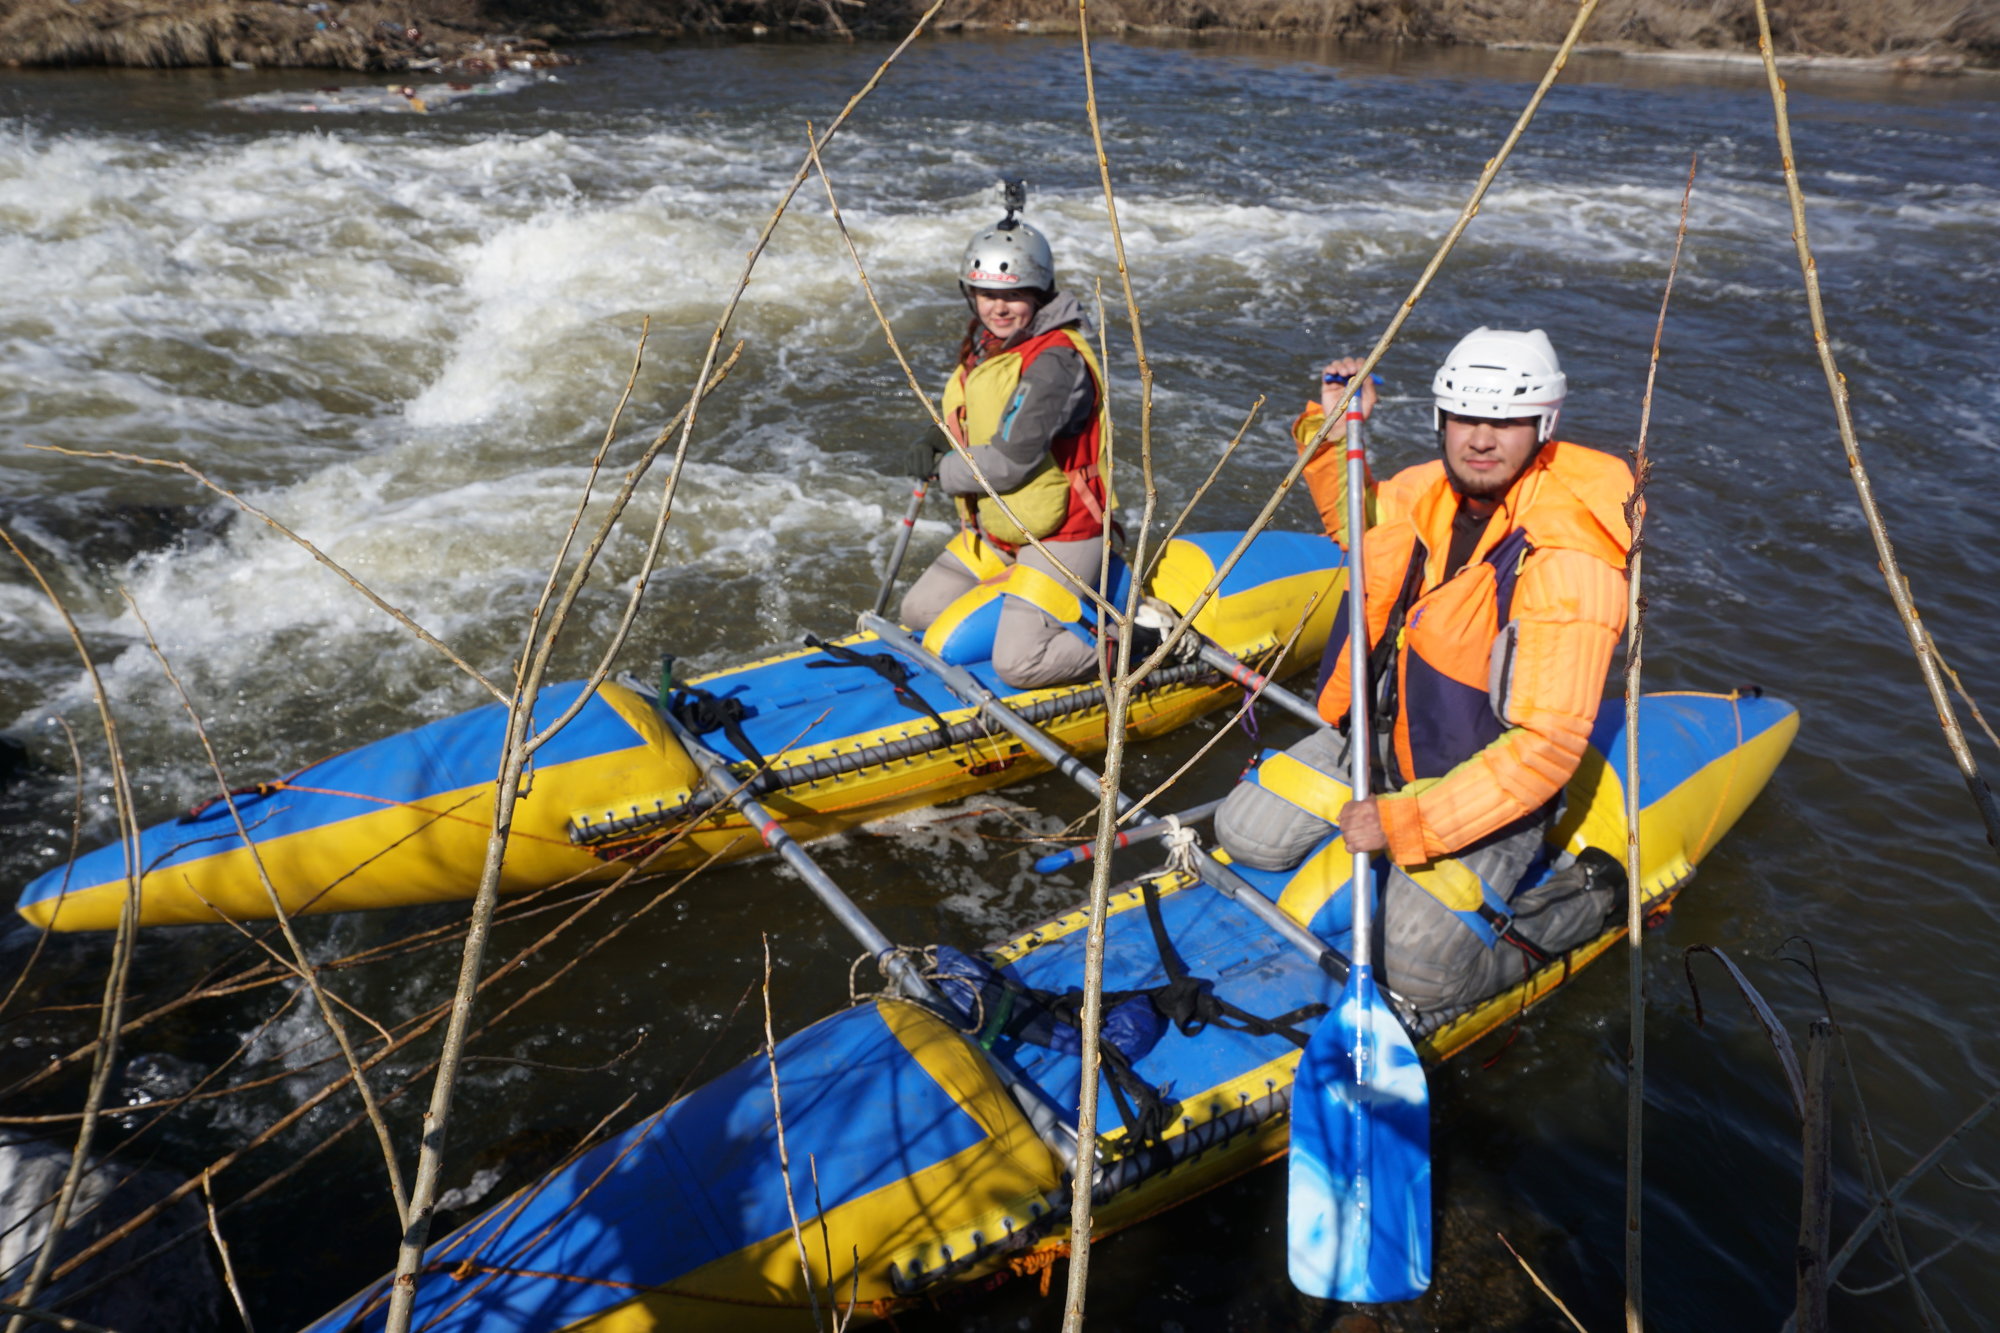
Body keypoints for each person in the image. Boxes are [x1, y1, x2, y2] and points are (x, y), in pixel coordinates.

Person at [1215, 328, 1634, 1018]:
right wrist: (1332, 426)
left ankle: (1589, 896)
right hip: (1387, 739)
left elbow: (1544, 749)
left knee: (1422, 970)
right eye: (1466, 417)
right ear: (1441, 418)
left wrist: (1406, 821)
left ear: (1543, 425)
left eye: (1505, 422)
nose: (1481, 439)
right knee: (1246, 833)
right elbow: (1356, 525)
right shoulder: (1424, 493)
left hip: (1482, 781)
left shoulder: (1569, 558)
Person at [899, 187, 1113, 690]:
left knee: (1018, 665)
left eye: (1013, 295)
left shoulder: (1055, 360)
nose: (998, 307)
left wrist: (940, 469)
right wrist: (939, 434)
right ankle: (1023, 604)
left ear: (1038, 294)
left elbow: (1008, 463)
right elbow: (986, 412)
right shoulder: (989, 346)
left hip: (1064, 532)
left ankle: (1132, 638)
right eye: (987, 294)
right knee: (918, 611)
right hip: (1002, 530)